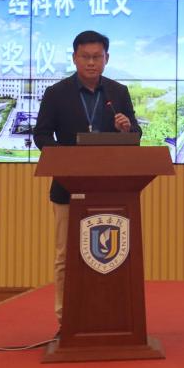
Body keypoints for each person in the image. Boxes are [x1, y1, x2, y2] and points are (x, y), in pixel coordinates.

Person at [33, 30, 140, 327]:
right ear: (74, 58)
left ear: (107, 58)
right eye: (85, 57)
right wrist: (65, 160)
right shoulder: (56, 93)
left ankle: (110, 318)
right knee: (66, 256)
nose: (91, 62)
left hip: (110, 191)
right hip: (67, 188)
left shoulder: (118, 92)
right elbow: (41, 134)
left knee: (110, 256)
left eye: (97, 57)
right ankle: (66, 320)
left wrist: (127, 129)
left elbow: (135, 134)